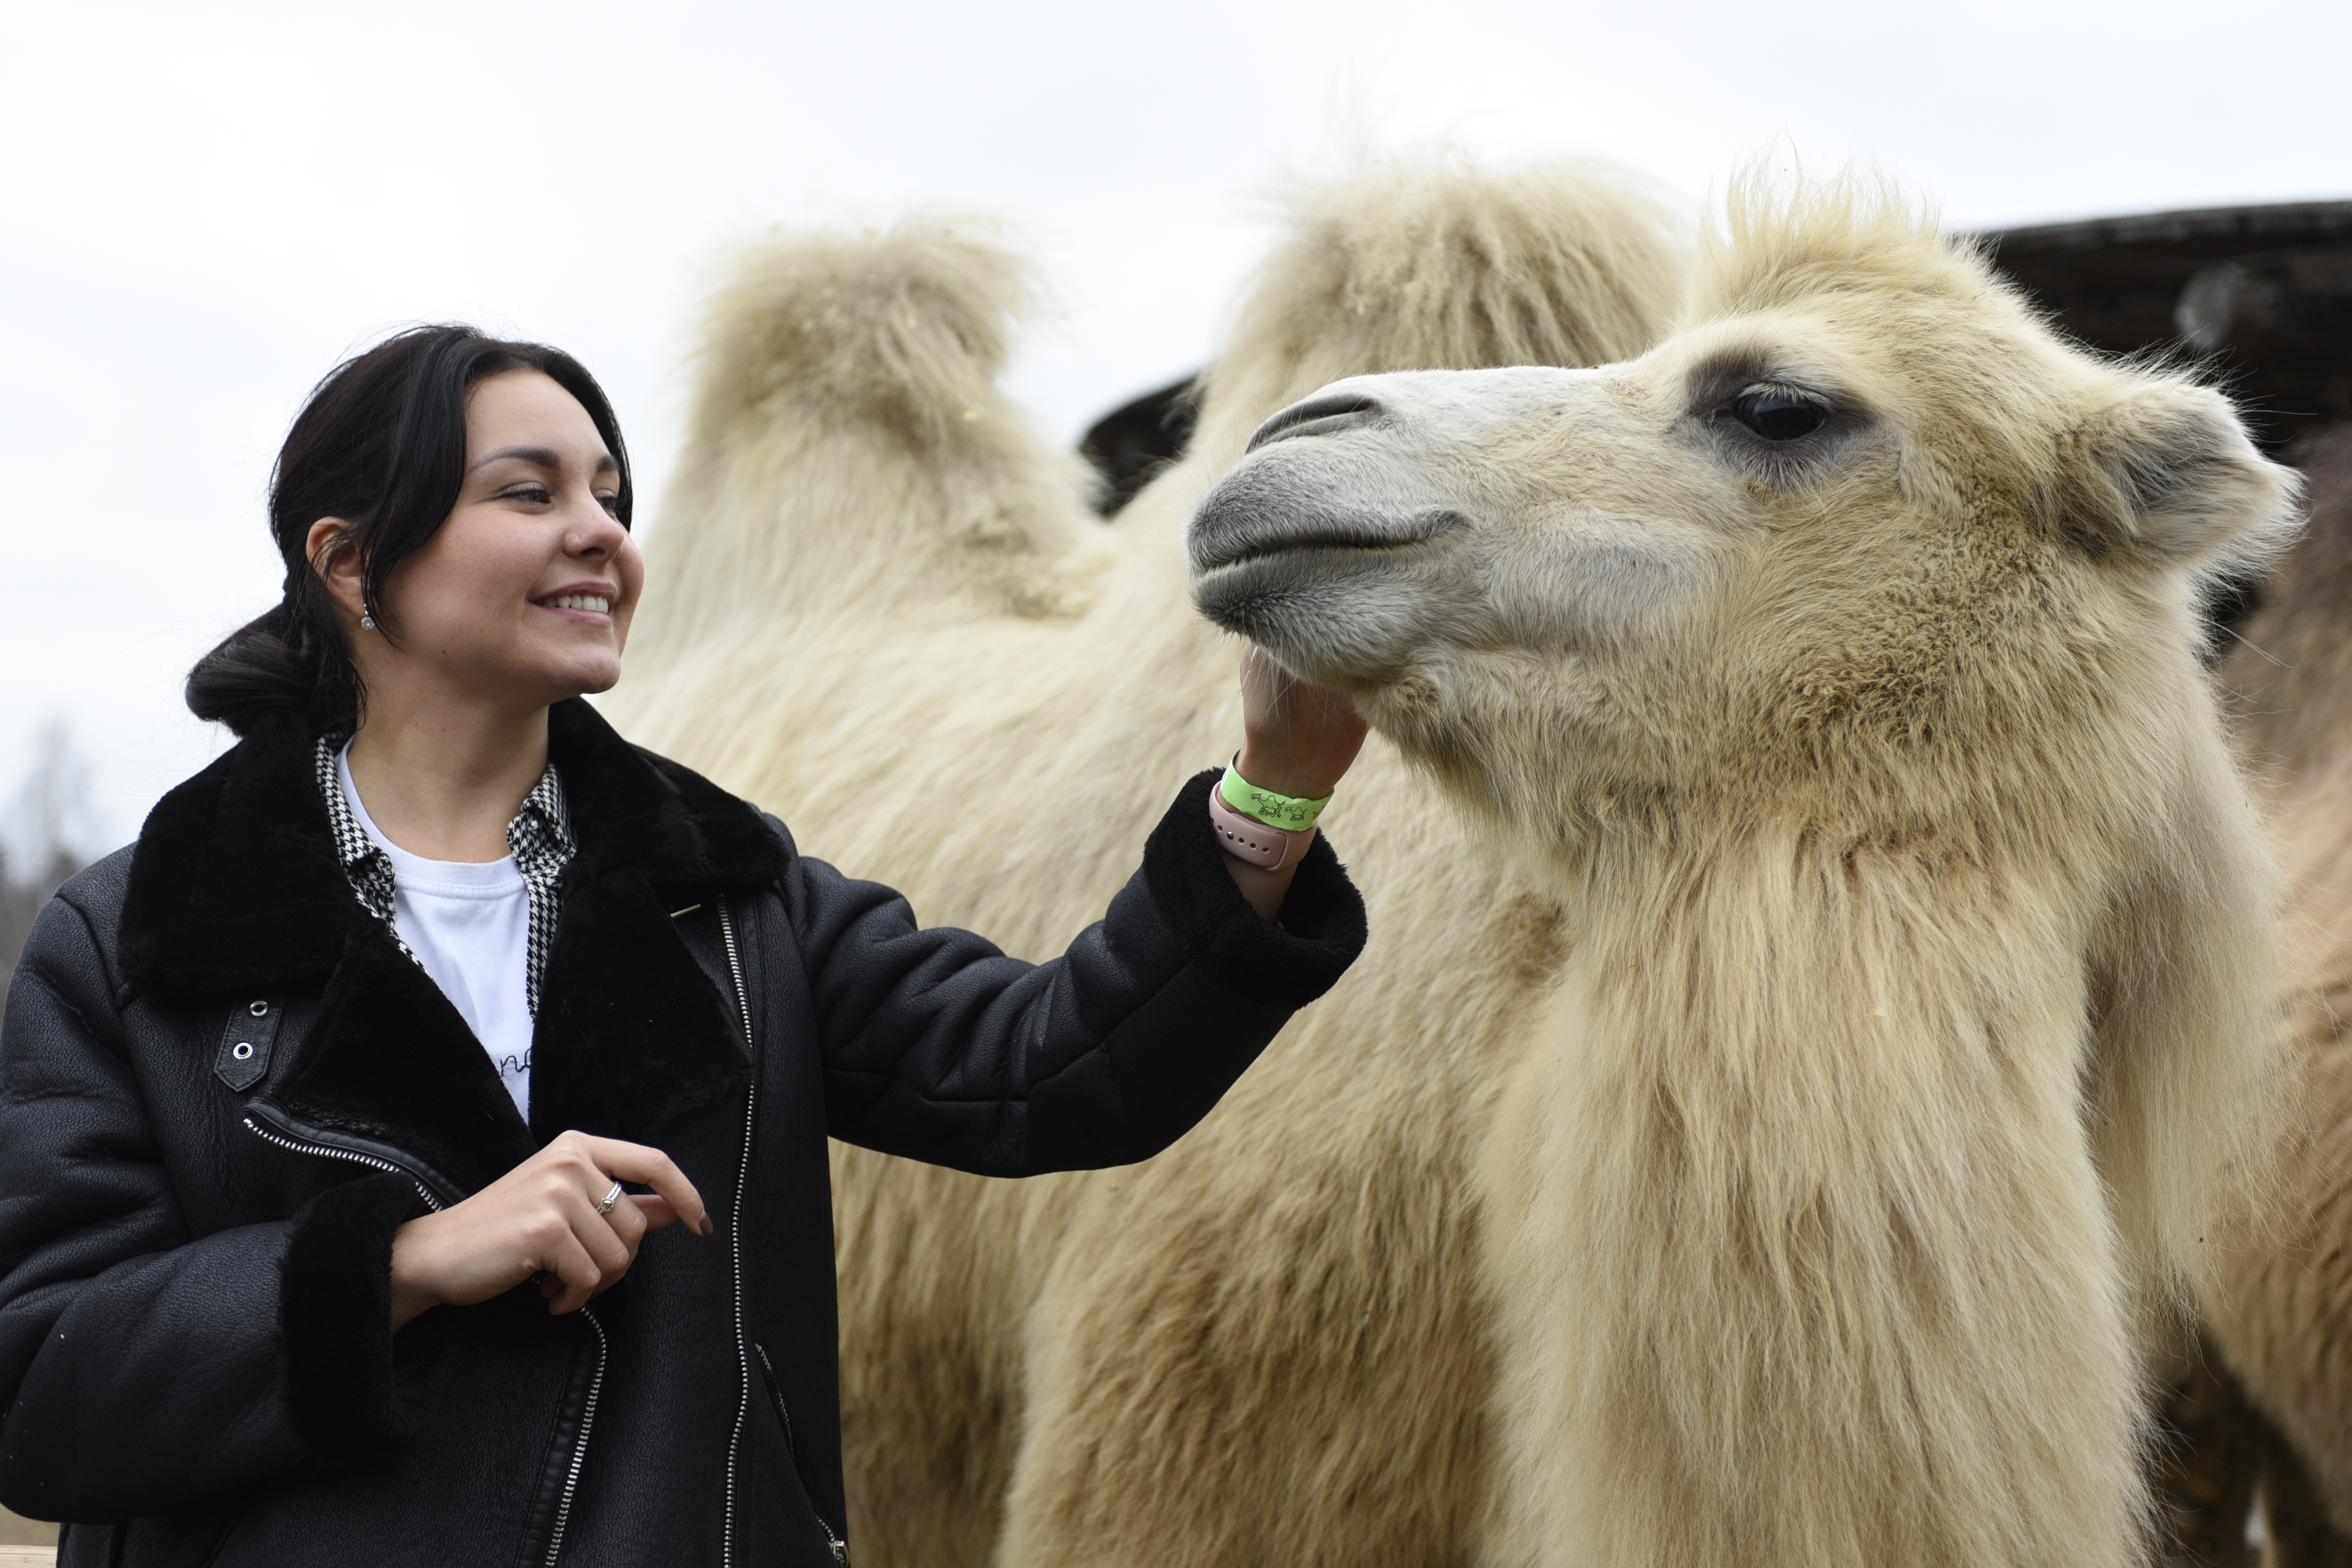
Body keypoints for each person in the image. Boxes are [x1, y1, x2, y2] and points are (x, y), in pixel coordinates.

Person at [0, 325, 1369, 1565]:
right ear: (351, 563)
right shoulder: (134, 942)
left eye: (611, 495)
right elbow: (39, 1388)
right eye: (529, 494)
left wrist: (1273, 790)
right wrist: (403, 1263)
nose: (598, 533)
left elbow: (1053, 1068)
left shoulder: (731, 898)